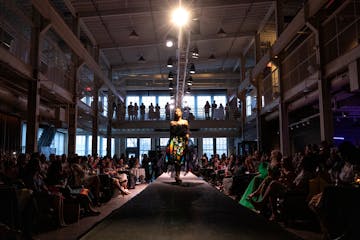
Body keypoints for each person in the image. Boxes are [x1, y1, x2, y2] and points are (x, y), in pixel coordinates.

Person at [166, 107, 189, 184]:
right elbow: (171, 134)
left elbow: (187, 132)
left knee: (181, 159)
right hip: (175, 142)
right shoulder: (172, 123)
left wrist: (187, 140)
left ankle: (178, 174)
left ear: (181, 113)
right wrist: (170, 144)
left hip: (182, 142)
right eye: (175, 111)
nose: (176, 112)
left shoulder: (185, 122)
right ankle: (177, 175)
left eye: (178, 111)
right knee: (176, 160)